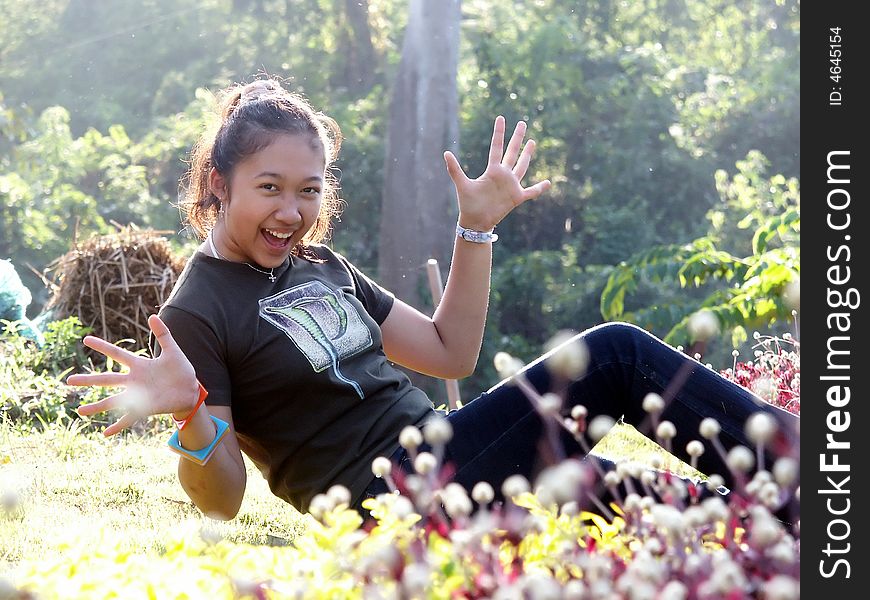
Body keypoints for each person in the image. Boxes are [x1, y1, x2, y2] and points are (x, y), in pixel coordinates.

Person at [67, 78, 799, 522]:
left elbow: (450, 350)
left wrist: (473, 229)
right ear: (220, 183)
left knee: (692, 515)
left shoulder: (321, 264)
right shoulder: (199, 308)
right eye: (270, 188)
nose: (291, 211)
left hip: (454, 452)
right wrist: (192, 414)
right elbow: (222, 500)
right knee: (615, 355)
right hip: (391, 498)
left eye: (309, 190)